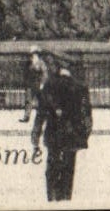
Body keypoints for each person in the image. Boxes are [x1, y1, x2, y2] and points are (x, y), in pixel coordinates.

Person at [31, 53, 93, 203]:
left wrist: (35, 136)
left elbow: (41, 114)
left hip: (54, 132)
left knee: (52, 164)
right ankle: (65, 196)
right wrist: (84, 134)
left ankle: (52, 196)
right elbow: (87, 115)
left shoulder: (49, 85)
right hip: (72, 134)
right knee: (69, 166)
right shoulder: (80, 87)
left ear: (58, 68)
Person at [21, 48, 46, 123]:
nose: (32, 56)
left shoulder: (41, 63)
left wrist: (42, 83)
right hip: (30, 85)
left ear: (37, 55)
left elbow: (44, 74)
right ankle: (26, 117)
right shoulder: (28, 63)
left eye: (34, 54)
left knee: (42, 101)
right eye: (31, 55)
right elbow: (25, 73)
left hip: (38, 84)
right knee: (28, 101)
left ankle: (43, 116)